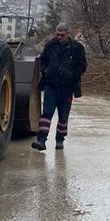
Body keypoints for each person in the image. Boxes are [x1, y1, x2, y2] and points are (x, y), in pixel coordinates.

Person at [32, 23, 87, 151]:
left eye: (62, 35)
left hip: (67, 88)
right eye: (57, 34)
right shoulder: (50, 45)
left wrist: (73, 75)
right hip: (51, 86)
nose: (59, 37)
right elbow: (43, 61)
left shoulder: (77, 48)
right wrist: (45, 71)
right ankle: (41, 140)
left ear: (68, 34)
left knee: (63, 116)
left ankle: (60, 140)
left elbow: (83, 65)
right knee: (46, 114)